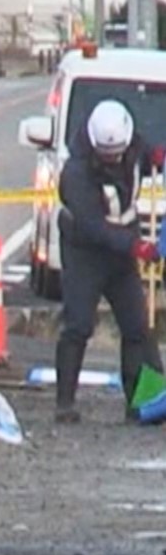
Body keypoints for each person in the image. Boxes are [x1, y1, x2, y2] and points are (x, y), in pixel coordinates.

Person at [55, 99, 166, 423]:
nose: (114, 159)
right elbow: (94, 227)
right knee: (78, 325)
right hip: (85, 253)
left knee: (137, 328)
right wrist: (135, 245)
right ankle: (64, 403)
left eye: (118, 152)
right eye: (108, 155)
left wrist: (156, 156)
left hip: (122, 255)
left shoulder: (132, 145)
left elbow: (144, 158)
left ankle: (142, 401)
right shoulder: (75, 173)